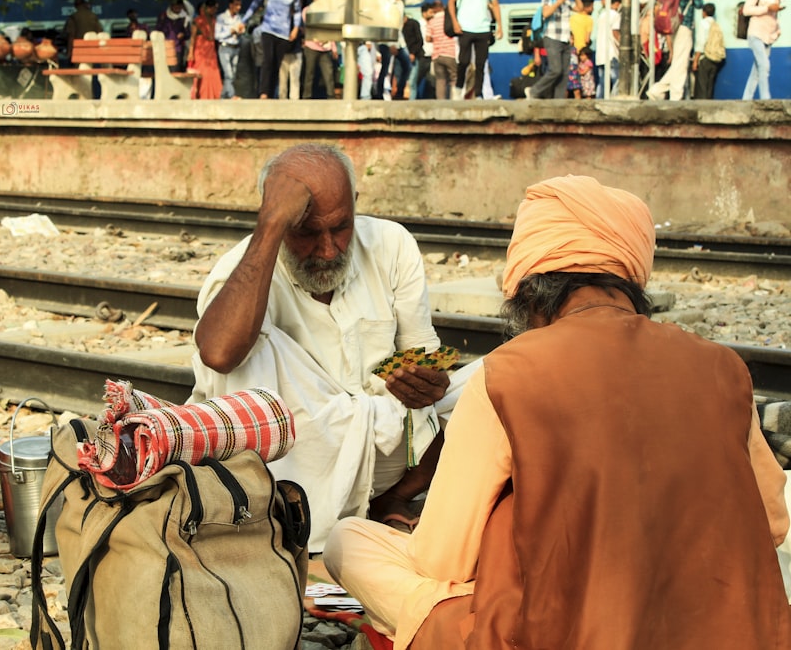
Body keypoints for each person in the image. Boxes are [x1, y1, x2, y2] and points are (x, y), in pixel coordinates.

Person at [324, 174, 791, 649]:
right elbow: (773, 523)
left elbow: (443, 559)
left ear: (530, 290)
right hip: (722, 630)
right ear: (631, 277)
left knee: (349, 542)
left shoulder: (508, 373)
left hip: (554, 633)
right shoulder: (723, 367)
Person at [188, 143, 475, 553]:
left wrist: (429, 383)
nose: (327, 249)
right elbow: (217, 354)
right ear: (276, 218)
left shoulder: (391, 245)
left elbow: (425, 357)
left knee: (501, 382)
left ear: (355, 206)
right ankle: (290, 522)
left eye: (340, 228)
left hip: (386, 450)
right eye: (306, 232)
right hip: (304, 462)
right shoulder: (240, 273)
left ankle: (390, 499)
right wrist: (269, 231)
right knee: (246, 351)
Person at [241, 0, 302, 99]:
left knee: (276, 64)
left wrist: (296, 28)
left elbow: (298, 11)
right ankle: (263, 92)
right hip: (268, 29)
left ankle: (271, 93)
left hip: (283, 33)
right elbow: (255, 4)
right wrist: (243, 21)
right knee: (268, 60)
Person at [646, 0, 704, 101]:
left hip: (671, 24)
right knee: (681, 63)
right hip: (684, 24)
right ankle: (675, 97)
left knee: (678, 62)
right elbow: (699, 4)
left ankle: (657, 90)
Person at [527, 0, 582, 99]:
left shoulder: (568, 1)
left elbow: (580, 8)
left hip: (565, 39)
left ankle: (559, 100)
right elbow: (546, 13)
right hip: (552, 38)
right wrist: (559, 1)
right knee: (555, 70)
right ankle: (533, 91)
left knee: (564, 74)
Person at [448, 0, 502, 99]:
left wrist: (500, 26)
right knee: (463, 61)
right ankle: (458, 89)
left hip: (483, 29)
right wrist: (455, 22)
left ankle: (479, 93)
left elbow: (495, 5)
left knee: (481, 64)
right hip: (465, 28)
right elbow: (451, 1)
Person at [375, 0, 424, 100]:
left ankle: (399, 94)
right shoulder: (384, 2)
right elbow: (382, 24)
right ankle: (379, 95)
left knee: (407, 66)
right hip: (385, 40)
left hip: (399, 41)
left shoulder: (402, 1)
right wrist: (390, 44)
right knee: (385, 68)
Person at [741, 0, 782, 100]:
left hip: (768, 36)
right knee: (764, 65)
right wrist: (767, 8)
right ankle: (765, 98)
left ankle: (746, 99)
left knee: (757, 71)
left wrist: (777, 30)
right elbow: (746, 10)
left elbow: (773, 16)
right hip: (756, 33)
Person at [302, 0, 339, 99]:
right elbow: (307, 27)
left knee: (328, 72)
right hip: (311, 46)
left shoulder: (327, 11)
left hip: (325, 48)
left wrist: (334, 48)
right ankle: (307, 97)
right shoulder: (307, 10)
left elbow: (330, 29)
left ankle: (331, 96)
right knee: (309, 73)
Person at [189, 0, 222, 100]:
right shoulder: (197, 21)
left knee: (212, 72)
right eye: (212, 8)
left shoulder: (214, 20)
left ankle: (214, 95)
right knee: (201, 72)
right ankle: (201, 95)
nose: (214, 10)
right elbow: (193, 38)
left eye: (215, 9)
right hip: (200, 51)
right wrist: (190, 53)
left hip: (211, 51)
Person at [693, 3, 725, 99]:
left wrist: (695, 60)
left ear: (704, 12)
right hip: (715, 58)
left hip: (705, 58)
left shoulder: (703, 24)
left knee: (702, 86)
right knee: (710, 86)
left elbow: (701, 43)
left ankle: (701, 109)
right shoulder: (716, 25)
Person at [427, 0, 458, 99]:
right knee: (454, 78)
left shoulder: (431, 21)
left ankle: (441, 103)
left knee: (440, 80)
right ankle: (455, 101)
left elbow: (428, 38)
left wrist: (436, 38)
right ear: (442, 7)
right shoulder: (449, 19)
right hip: (450, 53)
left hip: (437, 55)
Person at [215, 0, 244, 99]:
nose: (239, 7)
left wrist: (240, 32)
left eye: (240, 5)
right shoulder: (221, 18)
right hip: (225, 48)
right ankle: (232, 95)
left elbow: (240, 33)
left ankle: (223, 96)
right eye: (236, 5)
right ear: (231, 5)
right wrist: (229, 32)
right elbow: (217, 36)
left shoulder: (239, 18)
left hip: (235, 47)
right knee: (228, 73)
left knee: (233, 74)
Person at [593, 0, 621, 98]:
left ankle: (599, 102)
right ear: (617, 3)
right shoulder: (615, 15)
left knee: (602, 82)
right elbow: (615, 33)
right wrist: (621, 47)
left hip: (601, 54)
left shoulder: (602, 15)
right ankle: (615, 103)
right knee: (617, 80)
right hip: (612, 53)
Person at [157, 0, 192, 73]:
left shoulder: (185, 18)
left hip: (177, 48)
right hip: (164, 47)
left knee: (175, 70)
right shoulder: (163, 16)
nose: (177, 9)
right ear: (171, 6)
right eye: (176, 7)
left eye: (179, 7)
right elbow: (158, 30)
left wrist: (183, 34)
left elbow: (188, 34)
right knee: (164, 70)